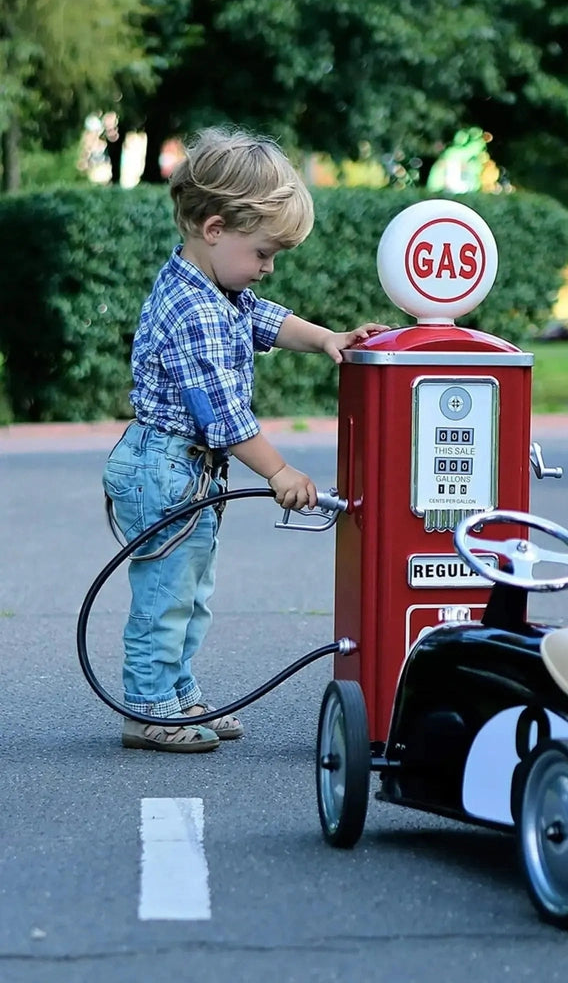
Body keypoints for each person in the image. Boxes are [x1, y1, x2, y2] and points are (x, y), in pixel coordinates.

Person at [103, 126, 389, 753]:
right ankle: (148, 707)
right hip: (166, 465)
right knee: (167, 592)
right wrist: (280, 472)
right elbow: (224, 418)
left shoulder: (218, 290)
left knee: (190, 588)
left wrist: (326, 339)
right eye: (263, 253)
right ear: (213, 229)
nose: (267, 268)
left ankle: (176, 694)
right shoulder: (197, 311)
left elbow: (262, 317)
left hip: (187, 469)